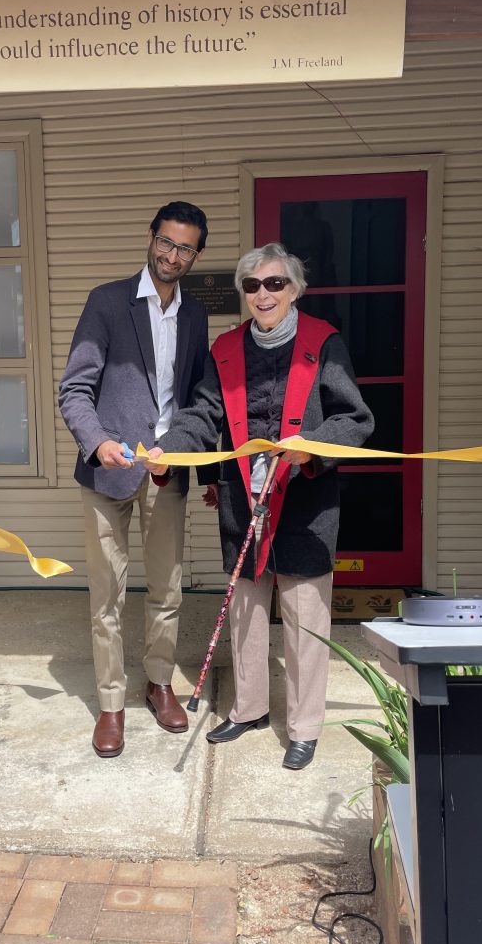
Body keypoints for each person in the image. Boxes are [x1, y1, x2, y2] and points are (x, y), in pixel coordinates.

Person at [145, 242, 373, 770]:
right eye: (252, 285)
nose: (263, 294)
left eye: (274, 284)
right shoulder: (225, 350)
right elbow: (202, 415)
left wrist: (309, 448)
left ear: (294, 289)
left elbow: (354, 419)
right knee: (246, 613)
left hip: (305, 499)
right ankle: (247, 709)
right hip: (241, 499)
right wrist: (169, 452)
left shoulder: (324, 343)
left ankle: (304, 727)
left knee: (304, 617)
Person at [58, 201, 210, 758]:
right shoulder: (106, 302)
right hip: (108, 472)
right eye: (166, 243)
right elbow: (74, 389)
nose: (172, 255)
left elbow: (197, 401)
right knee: (108, 594)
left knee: (167, 589)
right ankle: (111, 703)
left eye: (185, 248)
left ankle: (158, 682)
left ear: (197, 255)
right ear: (150, 238)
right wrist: (97, 442)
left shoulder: (194, 317)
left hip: (166, 473)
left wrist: (185, 450)